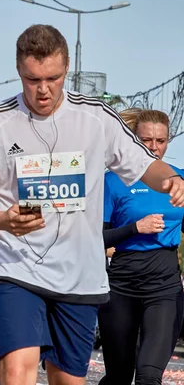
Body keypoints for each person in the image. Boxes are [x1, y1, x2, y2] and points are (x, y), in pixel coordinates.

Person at [0, 24, 184, 385]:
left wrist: (171, 179)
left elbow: (145, 165)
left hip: (79, 274)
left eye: (53, 78)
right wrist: (1, 219)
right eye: (32, 79)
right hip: (15, 267)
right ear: (18, 71)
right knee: (16, 370)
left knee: (67, 381)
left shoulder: (97, 118)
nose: (43, 89)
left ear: (67, 68)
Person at [99, 108, 184, 384]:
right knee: (119, 377)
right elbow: (95, 239)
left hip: (164, 287)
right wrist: (135, 227)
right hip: (121, 288)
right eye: (147, 140)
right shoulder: (113, 181)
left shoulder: (179, 180)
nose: (154, 147)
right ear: (134, 140)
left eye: (160, 141)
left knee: (149, 376)